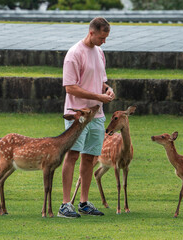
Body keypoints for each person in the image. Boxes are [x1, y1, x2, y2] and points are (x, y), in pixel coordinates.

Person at [58, 17, 115, 218]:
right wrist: (97, 96)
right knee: (72, 155)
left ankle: (83, 202)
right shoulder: (74, 54)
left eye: (106, 37)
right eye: (102, 37)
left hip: (97, 114)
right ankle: (65, 204)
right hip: (77, 114)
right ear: (91, 32)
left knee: (90, 157)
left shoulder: (99, 53)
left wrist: (107, 90)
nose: (104, 41)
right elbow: (70, 87)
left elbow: (101, 81)